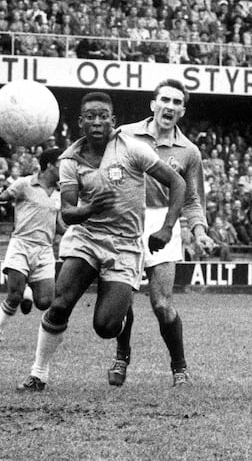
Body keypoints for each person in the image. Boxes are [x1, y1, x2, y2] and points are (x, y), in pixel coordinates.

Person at [17, 91, 186, 392]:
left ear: (113, 120)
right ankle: (38, 373)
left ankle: (121, 319)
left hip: (124, 244)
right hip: (87, 237)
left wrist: (168, 227)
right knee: (60, 303)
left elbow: (177, 181)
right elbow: (68, 214)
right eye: (91, 116)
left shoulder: (133, 149)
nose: (97, 121)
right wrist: (90, 209)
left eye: (103, 115)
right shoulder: (69, 160)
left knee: (106, 327)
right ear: (81, 122)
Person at [107, 79, 213, 388]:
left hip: (164, 222)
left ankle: (179, 367)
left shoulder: (189, 151)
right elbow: (108, 170)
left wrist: (199, 231)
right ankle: (121, 355)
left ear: (182, 110)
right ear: (153, 104)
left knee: (162, 304)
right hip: (126, 220)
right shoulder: (125, 134)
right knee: (122, 297)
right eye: (164, 99)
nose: (169, 105)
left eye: (176, 102)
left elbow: (193, 200)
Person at [0, 148, 64, 347]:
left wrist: (78, 230)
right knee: (14, 295)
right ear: (49, 166)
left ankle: (29, 289)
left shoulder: (59, 193)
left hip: (45, 249)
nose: (65, 168)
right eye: (61, 164)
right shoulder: (24, 184)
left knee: (45, 302)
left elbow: (58, 224)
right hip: (21, 244)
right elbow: (5, 195)